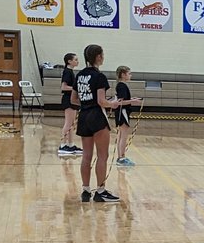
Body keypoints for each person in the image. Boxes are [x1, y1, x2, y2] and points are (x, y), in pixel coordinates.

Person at [72, 44, 124, 203]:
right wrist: (113, 104)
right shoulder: (99, 76)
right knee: (102, 155)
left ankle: (86, 190)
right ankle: (100, 191)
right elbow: (102, 101)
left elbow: (73, 99)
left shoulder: (79, 75)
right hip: (97, 116)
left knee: (86, 156)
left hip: (84, 115)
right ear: (98, 57)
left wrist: (86, 104)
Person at [113, 65, 143, 166]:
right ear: (123, 74)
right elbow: (120, 102)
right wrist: (133, 101)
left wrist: (131, 99)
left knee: (121, 135)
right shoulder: (122, 86)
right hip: (122, 112)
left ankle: (121, 157)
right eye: (129, 73)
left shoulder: (121, 85)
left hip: (122, 112)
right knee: (123, 136)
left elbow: (123, 99)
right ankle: (122, 158)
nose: (131, 75)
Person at [58, 53, 82, 156]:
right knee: (68, 123)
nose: (77, 61)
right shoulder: (67, 72)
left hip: (73, 99)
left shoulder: (71, 72)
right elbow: (63, 87)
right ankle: (63, 145)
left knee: (72, 124)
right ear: (69, 61)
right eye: (75, 59)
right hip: (68, 100)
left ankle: (71, 145)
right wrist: (75, 89)